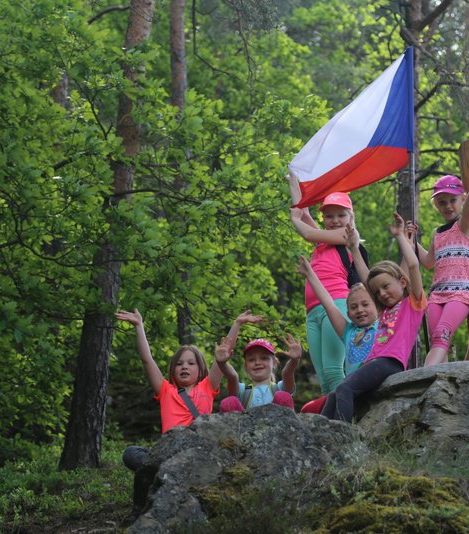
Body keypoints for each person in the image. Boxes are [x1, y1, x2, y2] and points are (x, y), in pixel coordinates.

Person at [114, 308, 257, 471]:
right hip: (169, 451)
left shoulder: (207, 386)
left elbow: (223, 354)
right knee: (130, 453)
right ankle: (161, 469)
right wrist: (139, 326)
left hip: (198, 450)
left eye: (191, 363)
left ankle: (166, 470)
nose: (184, 367)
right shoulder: (165, 390)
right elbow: (147, 360)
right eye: (179, 364)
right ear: (173, 370)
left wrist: (237, 324)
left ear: (200, 368)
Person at [321, 212, 427, 422]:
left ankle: (342, 438)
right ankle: (319, 435)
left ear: (402, 283)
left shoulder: (412, 304)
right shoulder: (383, 311)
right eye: (377, 292)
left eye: (386, 287)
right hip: (373, 363)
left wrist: (400, 237)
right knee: (334, 394)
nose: (382, 294)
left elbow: (413, 266)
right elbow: (366, 277)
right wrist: (353, 248)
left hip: (390, 363)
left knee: (345, 389)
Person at [287, 172, 368, 395]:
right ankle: (330, 425)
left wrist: (294, 220)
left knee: (333, 370)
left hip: (336, 303)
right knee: (323, 375)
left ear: (350, 217)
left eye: (341, 215)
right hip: (312, 310)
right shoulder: (325, 240)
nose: (335, 221)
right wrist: (293, 181)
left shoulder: (348, 235)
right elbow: (303, 211)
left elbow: (307, 231)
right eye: (330, 216)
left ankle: (345, 418)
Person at [411, 171, 469, 366]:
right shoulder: (437, 233)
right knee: (437, 342)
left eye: (452, 200)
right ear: (436, 205)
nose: (448, 206)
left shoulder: (464, 226)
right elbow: (428, 262)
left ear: (462, 199)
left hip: (460, 293)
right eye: (442, 202)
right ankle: (439, 378)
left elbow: (468, 211)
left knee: (442, 334)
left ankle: (423, 375)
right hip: (437, 294)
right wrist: (411, 242)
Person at [296, 229, 379, 413]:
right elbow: (328, 303)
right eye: (354, 307)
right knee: (310, 408)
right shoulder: (347, 331)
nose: (360, 310)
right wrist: (310, 274)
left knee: (339, 386)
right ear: (348, 312)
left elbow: (372, 283)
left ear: (376, 304)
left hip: (373, 387)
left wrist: (355, 249)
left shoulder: (380, 326)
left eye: (365, 304)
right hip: (349, 394)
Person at [217, 331, 303, 412]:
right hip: (247, 426)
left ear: (275, 363)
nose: (257, 362)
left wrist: (294, 360)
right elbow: (232, 377)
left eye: (264, 358)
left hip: (278, 424)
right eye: (251, 360)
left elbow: (287, 373)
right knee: (229, 402)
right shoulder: (243, 391)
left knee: (283, 396)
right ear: (246, 367)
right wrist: (221, 363)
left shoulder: (280, 388)